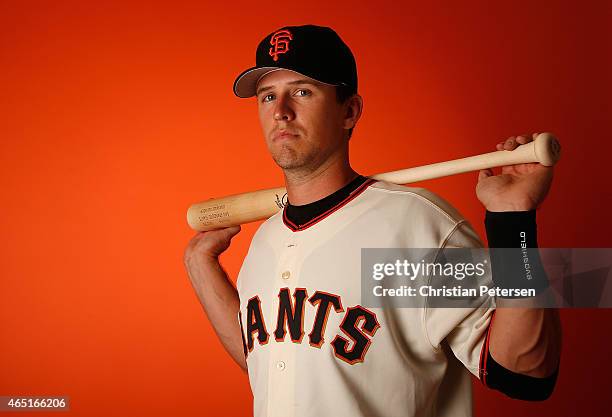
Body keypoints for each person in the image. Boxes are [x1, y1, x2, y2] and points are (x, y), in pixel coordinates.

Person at [183, 25, 561, 417]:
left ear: (349, 112)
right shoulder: (265, 241)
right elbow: (272, 366)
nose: (280, 111)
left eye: (302, 91)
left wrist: (513, 219)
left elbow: (526, 372)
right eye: (267, 96)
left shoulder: (416, 226)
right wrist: (200, 265)